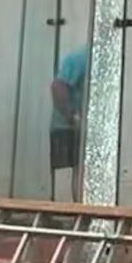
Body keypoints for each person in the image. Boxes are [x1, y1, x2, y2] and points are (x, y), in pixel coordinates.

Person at [49, 41, 91, 202]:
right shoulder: (81, 58)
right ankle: (80, 209)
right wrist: (72, 116)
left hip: (81, 123)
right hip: (70, 124)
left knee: (83, 169)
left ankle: (82, 209)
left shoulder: (91, 58)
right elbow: (58, 86)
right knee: (80, 169)